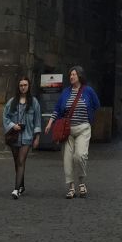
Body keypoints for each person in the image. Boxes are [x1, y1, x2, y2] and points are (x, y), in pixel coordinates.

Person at [45, 67, 99, 200]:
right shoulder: (66, 92)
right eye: (70, 75)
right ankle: (71, 187)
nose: (71, 77)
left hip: (83, 128)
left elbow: (96, 105)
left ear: (80, 76)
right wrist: (50, 123)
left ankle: (81, 182)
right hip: (67, 130)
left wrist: (89, 116)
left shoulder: (88, 91)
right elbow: (58, 109)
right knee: (67, 159)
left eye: (74, 74)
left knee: (80, 156)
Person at [3, 75, 41, 198]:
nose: (23, 87)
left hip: (27, 137)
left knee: (21, 161)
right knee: (17, 163)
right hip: (15, 136)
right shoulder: (12, 102)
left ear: (29, 86)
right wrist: (13, 126)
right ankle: (22, 185)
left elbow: (37, 120)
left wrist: (37, 137)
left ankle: (16, 189)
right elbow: (5, 117)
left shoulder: (34, 102)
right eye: (21, 85)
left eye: (25, 85)